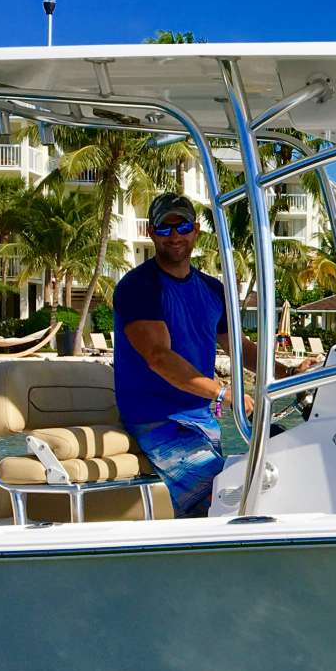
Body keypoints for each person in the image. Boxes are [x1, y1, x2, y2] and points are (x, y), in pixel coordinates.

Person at [113, 193, 273, 518]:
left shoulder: (212, 289)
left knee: (246, 491)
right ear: (150, 232)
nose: (174, 236)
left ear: (196, 230)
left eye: (182, 226)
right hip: (158, 420)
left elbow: (240, 349)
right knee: (222, 504)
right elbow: (159, 357)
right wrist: (225, 393)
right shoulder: (139, 287)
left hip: (202, 420)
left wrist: (292, 376)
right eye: (164, 228)